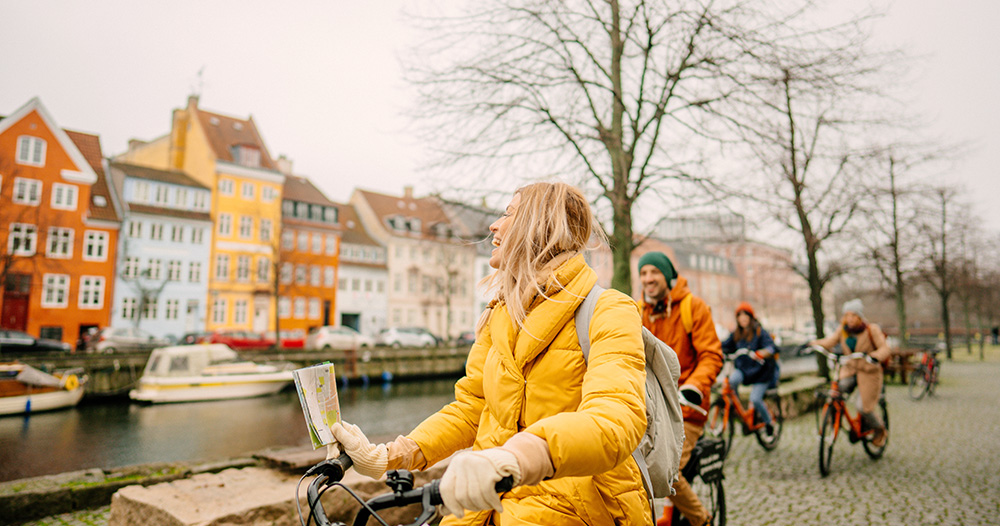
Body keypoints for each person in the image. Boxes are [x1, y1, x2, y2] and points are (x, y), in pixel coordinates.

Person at [331, 182, 653, 525]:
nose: (493, 225)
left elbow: (616, 420)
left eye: (509, 214)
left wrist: (520, 456)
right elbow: (472, 409)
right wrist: (388, 456)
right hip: (486, 503)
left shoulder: (609, 308)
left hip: (577, 506)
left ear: (540, 226)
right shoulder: (500, 313)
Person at [638, 251, 723, 526]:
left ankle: (702, 520)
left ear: (668, 276)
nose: (648, 279)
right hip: (649, 407)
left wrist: (694, 386)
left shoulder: (693, 307)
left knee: (664, 469)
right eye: (643, 273)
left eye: (654, 272)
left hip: (687, 409)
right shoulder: (636, 311)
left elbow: (711, 355)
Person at [810, 299, 891, 446]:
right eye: (847, 315)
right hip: (851, 369)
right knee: (836, 391)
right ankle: (834, 417)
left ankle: (879, 428)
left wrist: (875, 357)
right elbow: (829, 342)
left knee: (863, 408)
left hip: (869, 371)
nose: (850, 319)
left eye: (853, 315)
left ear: (860, 316)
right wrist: (812, 344)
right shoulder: (843, 330)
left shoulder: (871, 329)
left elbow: (885, 349)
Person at [721, 302, 779, 436]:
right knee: (732, 381)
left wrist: (761, 353)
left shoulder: (759, 332)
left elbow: (771, 347)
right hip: (745, 371)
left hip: (761, 373)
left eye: (745, 316)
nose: (743, 319)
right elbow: (725, 345)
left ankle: (769, 422)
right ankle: (739, 410)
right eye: (740, 316)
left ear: (751, 317)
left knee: (755, 399)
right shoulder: (736, 334)